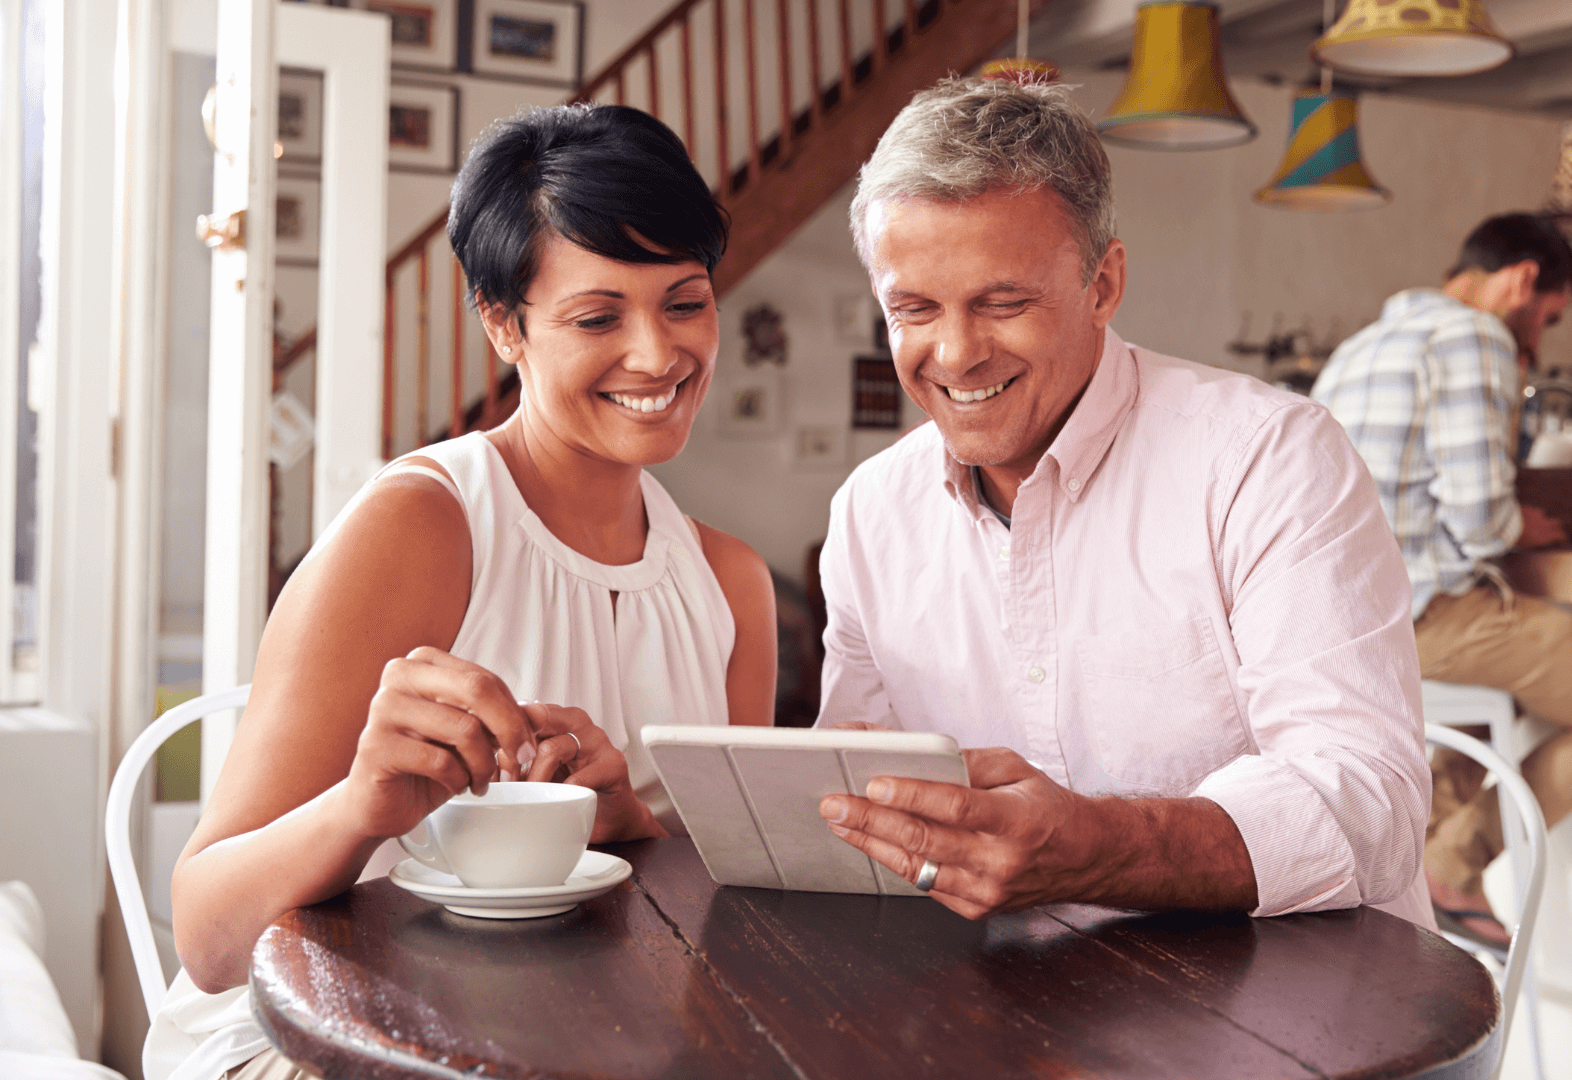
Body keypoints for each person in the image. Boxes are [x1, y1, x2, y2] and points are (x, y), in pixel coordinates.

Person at [146, 103, 777, 1080]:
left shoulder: (730, 584)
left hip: (580, 1041)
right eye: (597, 316)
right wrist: (364, 806)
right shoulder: (421, 526)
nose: (657, 355)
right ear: (501, 324)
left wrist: (627, 828)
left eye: (684, 301)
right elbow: (209, 936)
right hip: (327, 1043)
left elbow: (720, 921)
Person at [812, 77, 1433, 928]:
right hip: (1017, 1014)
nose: (954, 354)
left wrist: (1096, 846)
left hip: (1301, 1019)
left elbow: (1371, 806)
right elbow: (862, 806)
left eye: (1004, 302)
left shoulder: (1268, 457)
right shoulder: (868, 513)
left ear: (1103, 285)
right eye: (913, 309)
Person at [1311, 212, 1572, 947]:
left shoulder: (1361, 346)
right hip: (1425, 613)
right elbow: (1480, 516)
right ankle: (1453, 861)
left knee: (1507, 706)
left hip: (1344, 624)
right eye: (1546, 318)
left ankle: (1417, 858)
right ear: (1521, 280)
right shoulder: (1474, 335)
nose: (1538, 342)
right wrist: (1523, 527)